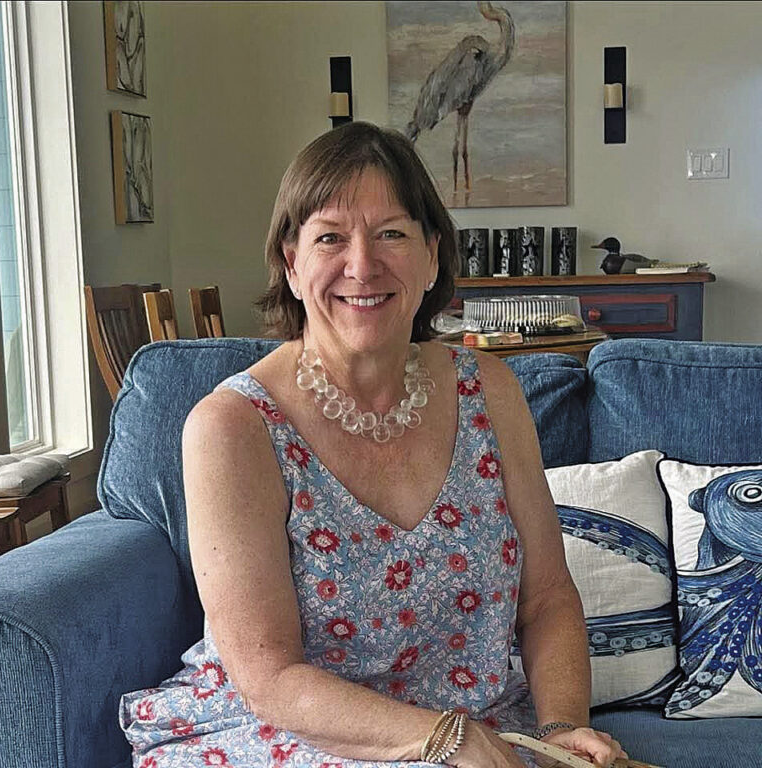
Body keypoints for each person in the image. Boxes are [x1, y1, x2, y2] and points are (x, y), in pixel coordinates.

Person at [120, 122, 627, 768]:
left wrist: (560, 728)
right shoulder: (233, 428)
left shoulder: (490, 391)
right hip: (292, 732)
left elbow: (548, 596)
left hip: (475, 728)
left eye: (391, 233)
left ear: (432, 256)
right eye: (330, 237)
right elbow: (270, 677)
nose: (362, 266)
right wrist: (442, 738)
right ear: (291, 263)